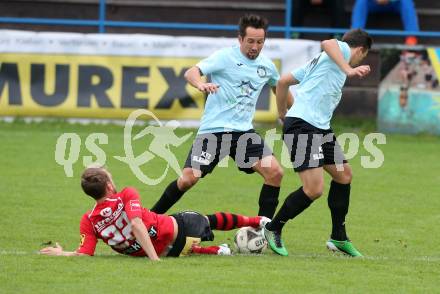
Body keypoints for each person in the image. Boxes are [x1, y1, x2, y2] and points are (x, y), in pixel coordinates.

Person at [150, 14, 293, 219]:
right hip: (214, 131)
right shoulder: (225, 57)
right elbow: (192, 72)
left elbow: (279, 87)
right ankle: (151, 218)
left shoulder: (267, 66)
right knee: (188, 179)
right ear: (240, 39)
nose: (255, 46)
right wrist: (200, 84)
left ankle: (263, 230)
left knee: (275, 173)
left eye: (260, 42)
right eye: (250, 41)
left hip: (243, 133)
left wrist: (294, 114)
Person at [263, 29, 373, 257]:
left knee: (344, 175)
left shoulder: (321, 63)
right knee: (314, 189)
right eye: (363, 56)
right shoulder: (342, 50)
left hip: (319, 128)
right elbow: (328, 42)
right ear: (361, 50)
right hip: (304, 126)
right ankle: (273, 228)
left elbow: (283, 82)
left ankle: (338, 237)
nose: (360, 60)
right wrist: (349, 68)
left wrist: (283, 112)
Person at [39, 167, 270, 260]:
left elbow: (84, 254)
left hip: (172, 251)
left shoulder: (88, 220)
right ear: (109, 186)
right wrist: (154, 259)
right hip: (181, 230)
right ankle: (257, 220)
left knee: (181, 242)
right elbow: (137, 225)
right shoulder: (126, 194)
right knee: (207, 219)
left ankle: (212, 250)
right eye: (110, 177)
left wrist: (61, 253)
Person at [351, 0, 419, 45]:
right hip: (373, 4)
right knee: (361, 2)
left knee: (407, 2)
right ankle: (356, 36)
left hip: (395, 4)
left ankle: (411, 37)